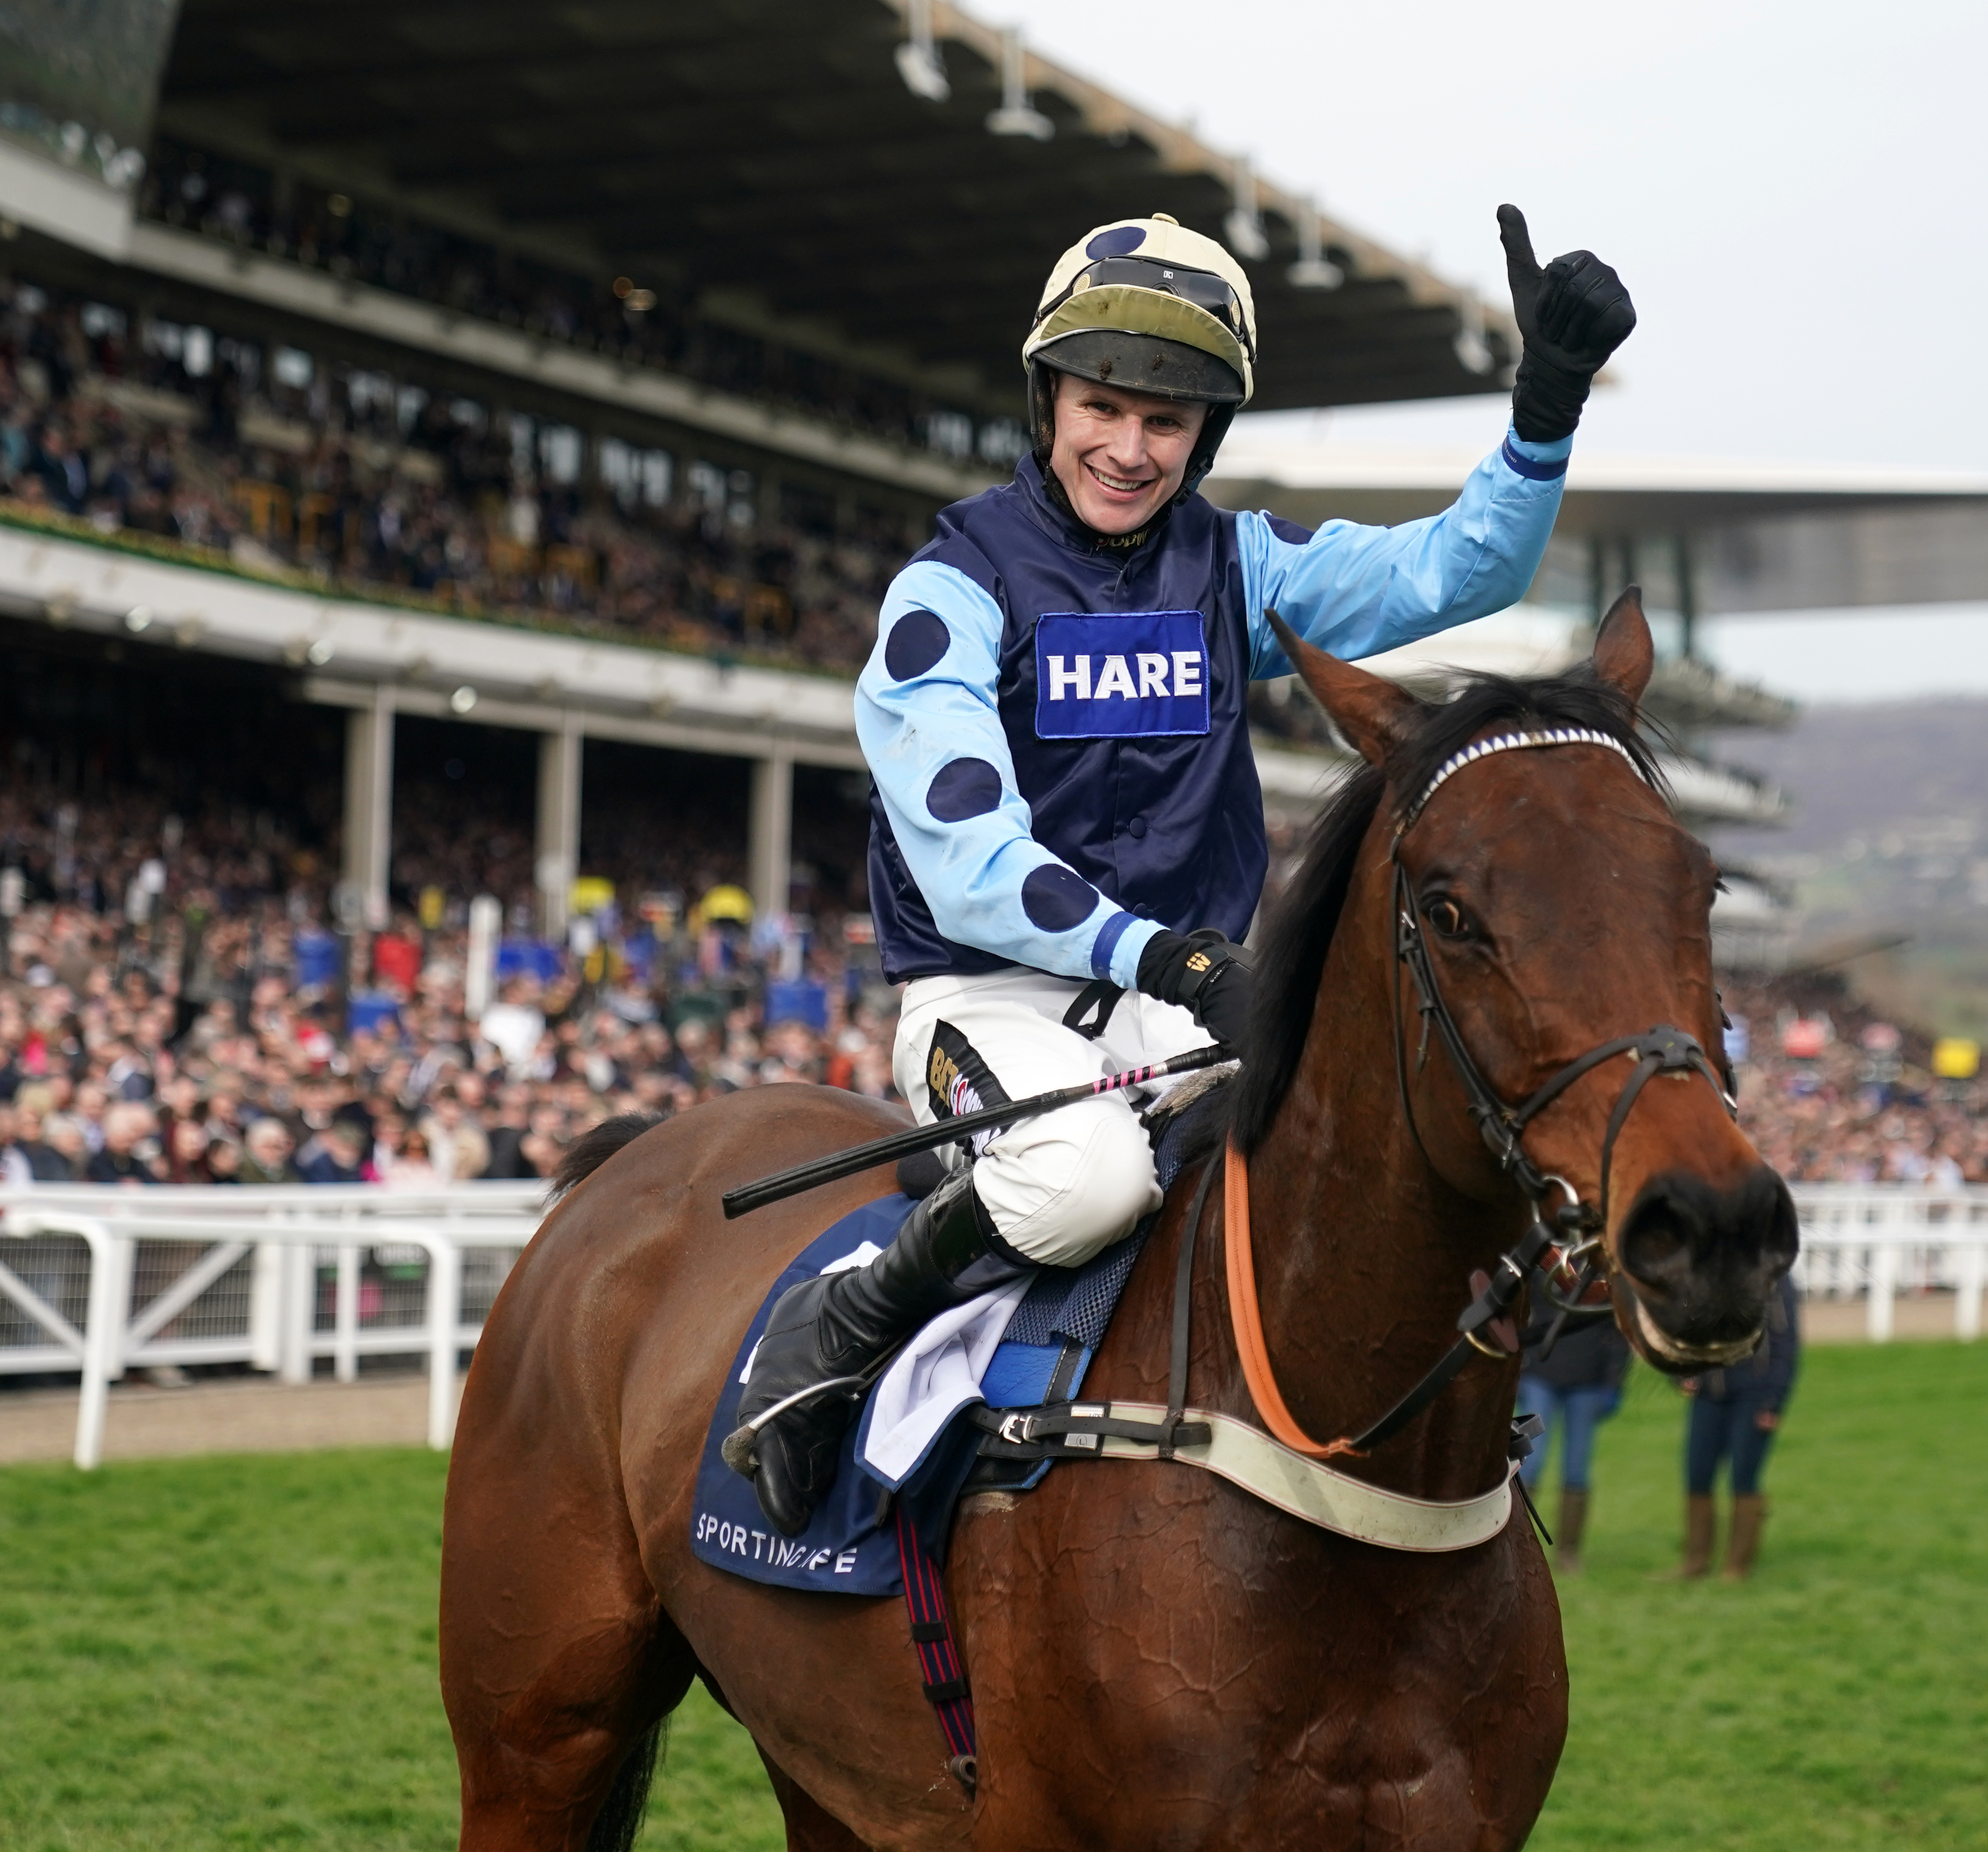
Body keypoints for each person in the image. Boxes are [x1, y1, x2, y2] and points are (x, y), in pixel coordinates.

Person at [727, 203, 1638, 1535]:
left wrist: (1544, 405)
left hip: (1189, 1006)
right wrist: (1164, 955)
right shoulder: (951, 587)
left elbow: (1459, 568)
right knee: (1088, 1180)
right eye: (1103, 406)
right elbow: (974, 864)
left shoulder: (1233, 565)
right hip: (995, 1005)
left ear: (1203, 436)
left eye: (1167, 423)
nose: (1129, 448)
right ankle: (848, 1317)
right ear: (1047, 396)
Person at [1671, 1271, 1799, 1582]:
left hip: (1755, 1396)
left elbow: (1786, 1344)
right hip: (1708, 1394)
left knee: (1744, 1478)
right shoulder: (1698, 1276)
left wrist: (1774, 1401)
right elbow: (1679, 1330)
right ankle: (1696, 1560)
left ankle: (1737, 1566)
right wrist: (1679, 1374)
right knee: (1697, 1474)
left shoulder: (1775, 1281)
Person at [1518, 1297, 1631, 1575]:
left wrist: (1613, 1381)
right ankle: (1516, 1547)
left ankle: (1569, 1553)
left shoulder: (1601, 1275)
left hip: (1588, 1384)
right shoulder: (1545, 1268)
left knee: (1577, 1470)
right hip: (1539, 1378)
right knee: (1525, 1462)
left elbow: (1620, 1331)